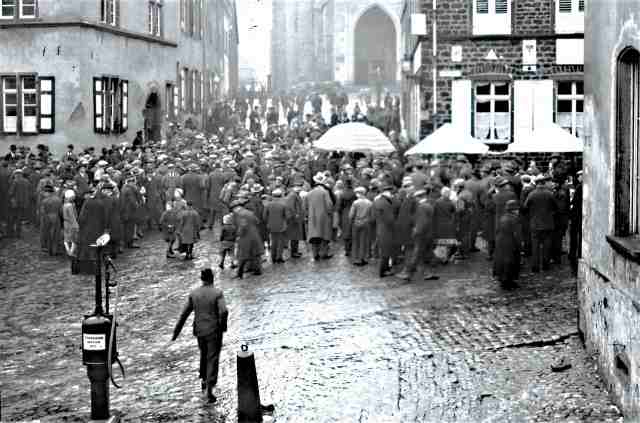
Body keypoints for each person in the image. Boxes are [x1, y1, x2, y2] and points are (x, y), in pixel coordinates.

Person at [171, 268, 228, 404]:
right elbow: (224, 311)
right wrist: (223, 325)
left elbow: (184, 314)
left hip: (199, 331)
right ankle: (209, 387)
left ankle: (203, 378)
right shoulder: (217, 293)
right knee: (212, 357)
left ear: (201, 278)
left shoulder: (194, 294)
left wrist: (176, 332)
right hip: (214, 330)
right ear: (212, 278)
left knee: (203, 354)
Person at [523, 175, 558, 272]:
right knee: (547, 246)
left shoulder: (532, 194)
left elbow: (525, 206)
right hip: (548, 224)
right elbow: (556, 207)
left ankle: (535, 267)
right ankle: (546, 265)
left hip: (535, 224)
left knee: (535, 246)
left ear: (537, 183)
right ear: (544, 183)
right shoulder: (550, 194)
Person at [493, 199, 522, 288]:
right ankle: (508, 281)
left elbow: (497, 230)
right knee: (511, 262)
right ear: (514, 210)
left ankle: (503, 280)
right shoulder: (514, 219)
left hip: (501, 242)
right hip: (510, 243)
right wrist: (519, 245)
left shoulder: (503, 217)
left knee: (502, 261)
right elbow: (517, 234)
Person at [306, 173, 334, 260]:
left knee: (314, 237)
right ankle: (324, 253)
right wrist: (330, 213)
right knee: (324, 236)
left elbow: (305, 207)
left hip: (312, 218)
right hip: (324, 218)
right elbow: (329, 205)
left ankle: (315, 254)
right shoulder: (325, 192)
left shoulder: (309, 193)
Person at [263, 188, 289, 264]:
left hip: (271, 226)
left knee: (273, 242)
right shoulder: (283, 205)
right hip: (281, 226)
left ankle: (273, 257)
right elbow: (287, 216)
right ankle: (279, 257)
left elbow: (264, 216)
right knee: (280, 242)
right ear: (280, 196)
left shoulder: (268, 205)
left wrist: (268, 222)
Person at [62, 189, 79, 257]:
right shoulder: (70, 206)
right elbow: (72, 217)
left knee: (66, 238)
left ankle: (67, 250)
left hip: (65, 223)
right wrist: (76, 226)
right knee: (73, 239)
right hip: (71, 224)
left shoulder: (64, 204)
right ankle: (70, 252)